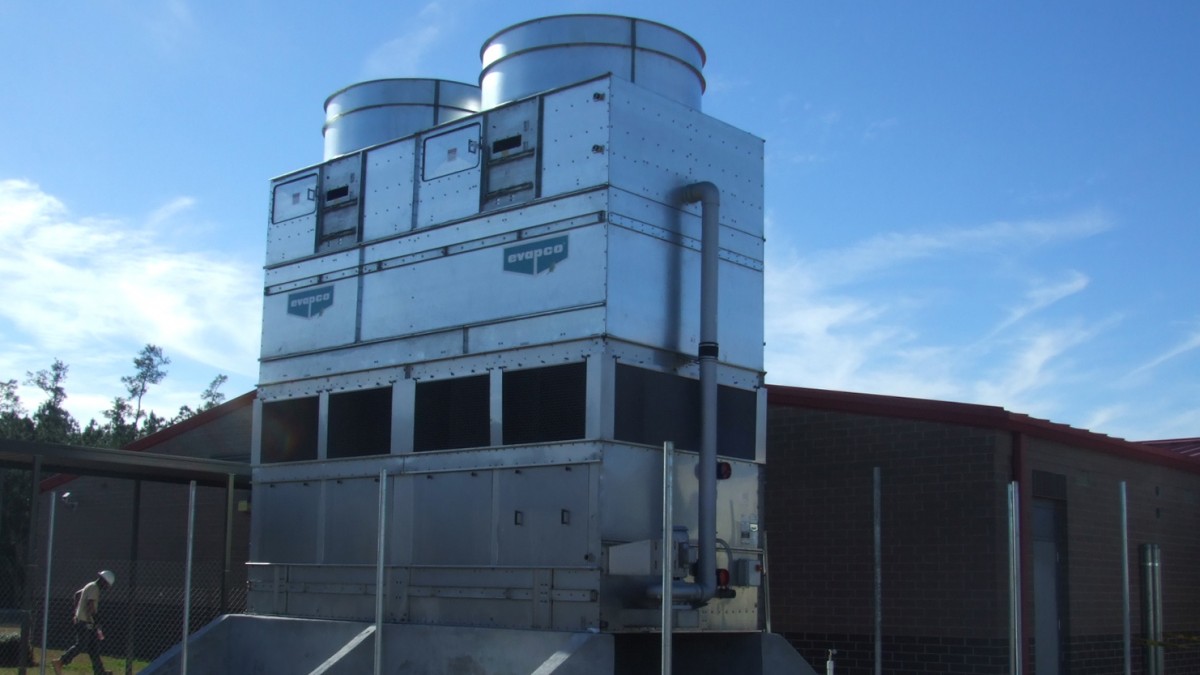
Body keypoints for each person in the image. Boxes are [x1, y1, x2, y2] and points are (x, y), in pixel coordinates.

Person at [52, 570, 115, 675]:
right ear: (104, 582)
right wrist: (97, 620)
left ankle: (100, 672)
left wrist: (76, 612)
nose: (107, 588)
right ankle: (60, 662)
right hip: (85, 622)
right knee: (81, 645)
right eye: (107, 585)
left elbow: (77, 594)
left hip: (85, 621)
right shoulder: (94, 588)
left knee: (93, 649)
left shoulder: (90, 585)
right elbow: (90, 605)